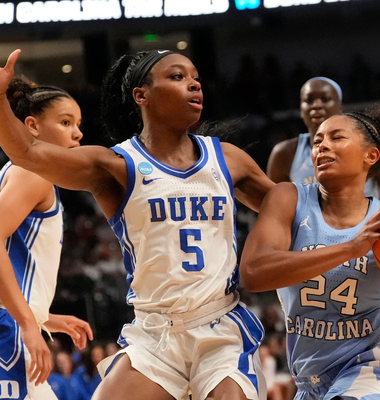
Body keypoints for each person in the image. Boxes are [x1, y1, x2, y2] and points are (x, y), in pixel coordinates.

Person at [0, 49, 275, 400]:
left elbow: (287, 211)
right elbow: (27, 153)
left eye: (195, 78)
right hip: (155, 332)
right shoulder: (117, 164)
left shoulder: (228, 159)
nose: (193, 84)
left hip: (219, 326)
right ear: (141, 95)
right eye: (177, 77)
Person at [240, 102, 380, 399]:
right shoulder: (289, 198)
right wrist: (350, 248)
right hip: (309, 379)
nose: (322, 146)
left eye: (336, 137)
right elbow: (253, 272)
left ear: (371, 155)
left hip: (375, 366)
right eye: (317, 142)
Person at [0, 74, 94, 399]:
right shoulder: (32, 174)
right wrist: (28, 322)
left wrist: (44, 318)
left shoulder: (17, 173)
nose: (77, 133)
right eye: (66, 122)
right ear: (33, 126)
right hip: (10, 329)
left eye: (78, 124)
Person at [266, 76, 380, 201]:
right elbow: (271, 204)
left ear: (341, 106)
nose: (316, 105)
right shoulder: (284, 153)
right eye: (309, 100)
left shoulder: (369, 144)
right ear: (301, 109)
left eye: (325, 99)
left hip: (366, 217)